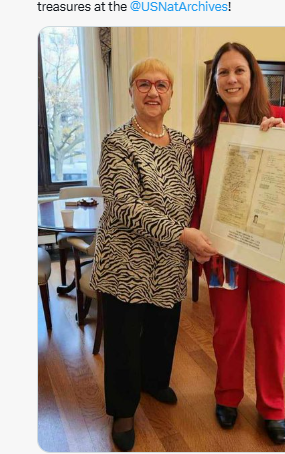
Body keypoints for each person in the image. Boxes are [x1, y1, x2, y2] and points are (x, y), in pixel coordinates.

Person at [90, 58, 217, 451]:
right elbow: (125, 203)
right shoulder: (117, 142)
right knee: (125, 339)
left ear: (171, 95)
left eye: (161, 85)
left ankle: (154, 381)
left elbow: (199, 191)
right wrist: (184, 234)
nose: (152, 92)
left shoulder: (182, 143)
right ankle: (124, 410)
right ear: (131, 93)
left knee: (164, 330)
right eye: (143, 84)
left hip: (169, 261)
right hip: (126, 261)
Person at [191, 42, 285, 445]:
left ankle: (272, 408)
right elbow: (200, 192)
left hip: (272, 250)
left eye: (239, 70)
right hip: (223, 250)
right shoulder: (207, 134)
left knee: (273, 330)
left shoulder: (284, 118)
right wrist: (198, 243)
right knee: (227, 328)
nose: (231, 79)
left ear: (253, 75)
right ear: (214, 82)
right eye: (223, 73)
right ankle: (227, 396)